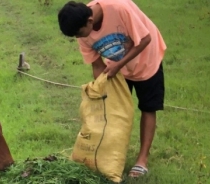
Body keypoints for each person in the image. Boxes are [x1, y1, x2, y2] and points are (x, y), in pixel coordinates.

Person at [57, 0, 166, 178]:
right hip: (118, 66)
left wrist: (118, 65)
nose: (79, 38)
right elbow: (97, 64)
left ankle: (142, 160)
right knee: (114, 109)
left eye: (79, 33)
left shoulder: (119, 8)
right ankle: (109, 155)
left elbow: (145, 39)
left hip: (147, 60)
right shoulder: (81, 29)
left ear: (90, 21)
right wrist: (101, 90)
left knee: (148, 106)